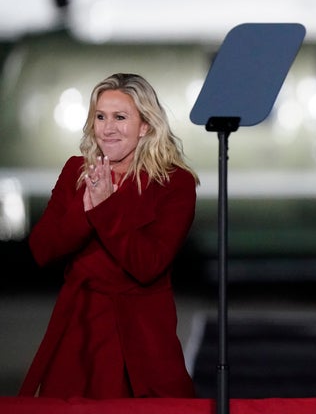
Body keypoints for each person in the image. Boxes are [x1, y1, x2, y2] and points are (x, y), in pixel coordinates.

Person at [19, 73, 199, 399]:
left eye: (120, 117)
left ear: (145, 125)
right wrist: (86, 212)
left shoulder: (175, 183)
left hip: (141, 333)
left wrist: (104, 210)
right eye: (100, 117)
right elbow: (42, 249)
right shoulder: (77, 170)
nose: (108, 128)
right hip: (80, 327)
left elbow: (148, 265)